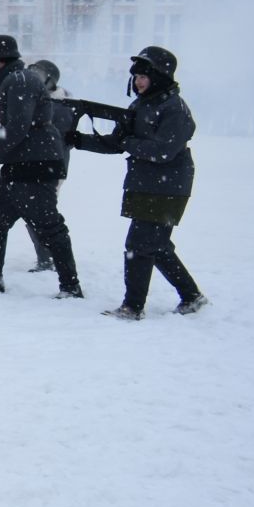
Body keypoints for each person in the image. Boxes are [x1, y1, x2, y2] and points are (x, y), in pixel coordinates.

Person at [70, 46, 207, 319]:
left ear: (159, 76)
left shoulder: (174, 108)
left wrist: (127, 142)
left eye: (144, 76)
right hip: (146, 183)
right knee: (156, 245)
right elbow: (117, 143)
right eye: (136, 76)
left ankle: (132, 307)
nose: (138, 81)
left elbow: (162, 150)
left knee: (140, 245)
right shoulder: (141, 104)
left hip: (167, 186)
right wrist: (79, 141)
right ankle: (192, 296)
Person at [0, 34, 84, 298]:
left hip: (35, 164)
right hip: (20, 162)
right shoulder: (15, 79)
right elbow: (13, 127)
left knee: (49, 226)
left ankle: (70, 286)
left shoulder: (20, 81)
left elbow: (18, 127)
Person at [23, 59, 76, 273]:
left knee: (42, 213)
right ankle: (45, 254)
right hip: (33, 162)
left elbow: (55, 134)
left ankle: (47, 256)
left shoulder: (60, 105)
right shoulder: (37, 99)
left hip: (51, 165)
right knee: (32, 210)